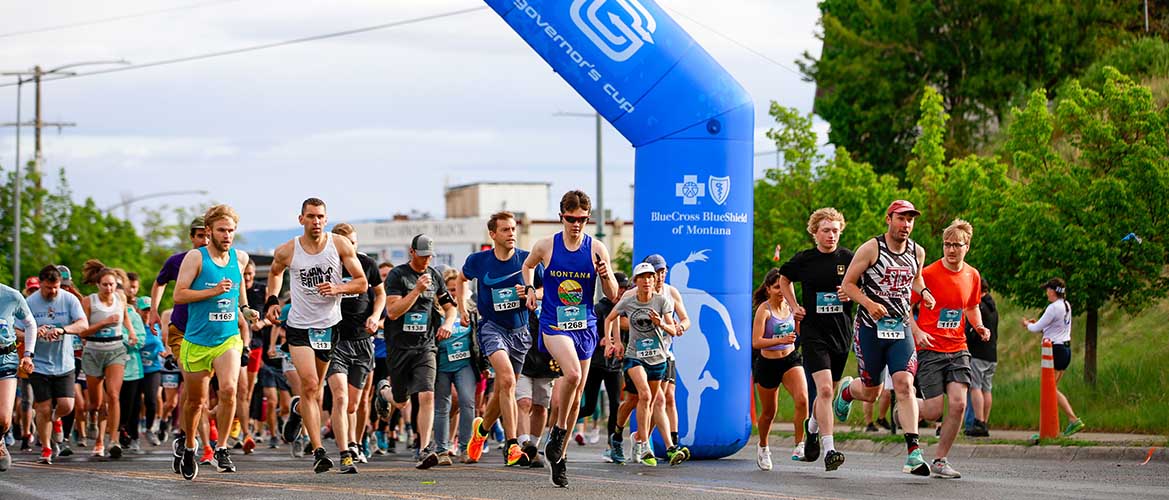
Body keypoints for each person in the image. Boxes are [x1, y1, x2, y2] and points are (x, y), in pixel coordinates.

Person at [522, 190, 619, 487]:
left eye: (581, 219)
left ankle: (559, 455)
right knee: (573, 374)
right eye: (571, 219)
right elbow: (527, 266)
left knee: (576, 395)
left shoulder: (596, 248)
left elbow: (614, 294)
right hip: (554, 324)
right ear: (561, 217)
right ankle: (559, 432)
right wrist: (529, 290)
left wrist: (604, 275)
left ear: (588, 218)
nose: (576, 224)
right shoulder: (546, 246)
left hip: (585, 326)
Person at [264, 198, 368, 473]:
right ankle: (320, 451)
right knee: (310, 385)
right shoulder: (289, 250)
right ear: (301, 220)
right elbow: (275, 273)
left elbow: (361, 282)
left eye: (321, 216)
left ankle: (299, 411)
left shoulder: (339, 245)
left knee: (317, 390)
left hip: (330, 326)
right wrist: (272, 300)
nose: (316, 221)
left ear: (326, 218)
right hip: (299, 326)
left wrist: (337, 288)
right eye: (311, 216)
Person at [834, 200, 936, 476]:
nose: (906, 225)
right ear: (888, 219)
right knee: (871, 393)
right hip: (870, 328)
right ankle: (847, 390)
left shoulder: (918, 251)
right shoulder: (871, 248)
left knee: (904, 385)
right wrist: (868, 304)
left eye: (910, 220)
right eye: (901, 219)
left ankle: (914, 452)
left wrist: (924, 293)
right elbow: (848, 285)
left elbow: (916, 280)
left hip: (900, 326)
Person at [174, 204, 256, 479]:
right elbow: (179, 296)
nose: (227, 235)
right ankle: (188, 446)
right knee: (196, 402)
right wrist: (211, 292)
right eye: (222, 230)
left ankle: (221, 447)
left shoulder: (239, 258)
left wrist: (246, 310)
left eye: (231, 230)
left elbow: (239, 291)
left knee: (230, 390)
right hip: (197, 340)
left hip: (228, 338)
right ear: (209, 232)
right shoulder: (195, 258)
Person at [909, 219, 989, 479]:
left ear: (967, 246)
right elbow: (905, 308)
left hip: (958, 347)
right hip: (930, 348)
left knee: (958, 404)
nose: (951, 249)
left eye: (957, 245)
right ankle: (906, 408)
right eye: (947, 244)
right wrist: (917, 332)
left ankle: (940, 460)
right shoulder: (928, 274)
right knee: (933, 411)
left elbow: (971, 306)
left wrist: (979, 326)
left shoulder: (972, 275)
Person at [458, 211, 540, 466]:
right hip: (492, 328)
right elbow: (462, 280)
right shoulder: (479, 261)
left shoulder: (526, 260)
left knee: (506, 388)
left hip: (520, 332)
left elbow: (544, 288)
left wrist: (529, 291)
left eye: (513, 229)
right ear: (493, 234)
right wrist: (462, 307)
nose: (512, 234)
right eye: (505, 230)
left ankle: (480, 431)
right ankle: (512, 445)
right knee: (505, 379)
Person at [777, 207, 854, 469]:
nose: (831, 235)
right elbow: (783, 278)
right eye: (826, 231)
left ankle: (811, 427)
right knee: (824, 390)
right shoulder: (805, 260)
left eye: (835, 231)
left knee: (828, 395)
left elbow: (861, 286)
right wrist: (793, 305)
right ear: (815, 233)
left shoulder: (849, 258)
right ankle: (829, 449)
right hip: (813, 333)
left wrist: (849, 294)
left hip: (841, 333)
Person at [375, 234, 456, 469]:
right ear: (412, 252)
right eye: (422, 256)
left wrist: (448, 323)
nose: (425, 260)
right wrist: (417, 290)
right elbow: (392, 312)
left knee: (427, 394)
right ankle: (385, 392)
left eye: (429, 256)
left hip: (425, 345)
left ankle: (424, 448)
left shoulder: (435, 275)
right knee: (400, 401)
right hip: (399, 346)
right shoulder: (397, 275)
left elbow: (451, 308)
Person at [604, 262, 685, 467]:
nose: (648, 280)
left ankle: (622, 435)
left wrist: (662, 324)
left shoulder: (662, 300)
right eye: (644, 277)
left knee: (640, 401)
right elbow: (610, 318)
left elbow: (674, 330)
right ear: (637, 281)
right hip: (634, 356)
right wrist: (614, 342)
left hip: (658, 358)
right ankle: (647, 446)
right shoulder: (628, 299)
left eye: (651, 276)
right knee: (646, 396)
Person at [153, 217, 215, 472]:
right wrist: (153, 312)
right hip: (182, 332)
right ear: (192, 237)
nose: (205, 241)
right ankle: (190, 442)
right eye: (200, 236)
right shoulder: (178, 260)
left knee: (202, 396)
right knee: (192, 389)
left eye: (208, 236)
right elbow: (159, 283)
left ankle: (185, 437)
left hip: (211, 334)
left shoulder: (222, 260)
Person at [324, 223, 385, 473]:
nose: (352, 246)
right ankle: (345, 452)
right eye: (347, 242)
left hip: (362, 340)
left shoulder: (366, 264)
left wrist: (375, 315)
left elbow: (380, 294)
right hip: (335, 339)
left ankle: (356, 442)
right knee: (340, 397)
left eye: (354, 242)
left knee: (354, 404)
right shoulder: (326, 265)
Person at [26, 265, 88, 466]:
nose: (53, 291)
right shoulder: (30, 302)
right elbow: (17, 330)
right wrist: (35, 332)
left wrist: (62, 330)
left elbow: (83, 325)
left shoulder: (69, 299)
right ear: (41, 284)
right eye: (48, 288)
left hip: (64, 362)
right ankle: (46, 449)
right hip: (39, 364)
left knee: (67, 406)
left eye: (56, 287)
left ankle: (57, 419)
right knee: (42, 408)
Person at [80, 260, 138, 460]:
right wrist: (104, 322)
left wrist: (131, 332)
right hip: (94, 351)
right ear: (98, 285)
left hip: (115, 349)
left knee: (113, 395)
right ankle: (94, 421)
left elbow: (126, 318)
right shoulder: (89, 301)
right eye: (105, 284)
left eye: (112, 284)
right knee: (96, 403)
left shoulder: (120, 298)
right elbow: (82, 331)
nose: (109, 288)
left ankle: (113, 440)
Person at [751, 269, 808, 471]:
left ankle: (799, 444)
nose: (781, 291)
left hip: (790, 360)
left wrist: (796, 334)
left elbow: (797, 335)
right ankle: (763, 446)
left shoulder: (792, 308)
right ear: (768, 289)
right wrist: (779, 340)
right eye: (777, 287)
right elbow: (756, 342)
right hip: (767, 364)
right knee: (769, 412)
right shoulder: (764, 311)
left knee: (802, 399)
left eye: (785, 287)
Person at [1022, 278, 1084, 436]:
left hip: (1055, 350)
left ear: (1052, 291)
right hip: (1065, 348)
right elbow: (1055, 327)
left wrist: (1026, 324)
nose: (1046, 293)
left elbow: (1035, 328)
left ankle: (1072, 419)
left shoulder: (1052, 307)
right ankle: (1054, 427)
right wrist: (1042, 326)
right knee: (1051, 389)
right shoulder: (1066, 305)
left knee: (1049, 390)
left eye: (1047, 289)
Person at [433, 269, 478, 466]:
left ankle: (466, 448)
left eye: (456, 289)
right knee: (442, 405)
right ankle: (442, 450)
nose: (453, 293)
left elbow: (477, 340)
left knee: (467, 402)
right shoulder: (435, 312)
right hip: (441, 365)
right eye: (449, 290)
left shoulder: (470, 311)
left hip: (464, 364)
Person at [584, 272, 628, 464]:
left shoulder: (626, 308)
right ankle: (559, 427)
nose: (623, 292)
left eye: (626, 288)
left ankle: (612, 447)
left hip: (615, 365)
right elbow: (587, 333)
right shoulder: (598, 308)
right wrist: (599, 341)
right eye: (620, 288)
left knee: (616, 405)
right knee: (589, 407)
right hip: (595, 364)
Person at [0, 283, 37, 472]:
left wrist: (28, 354)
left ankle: (0, 441)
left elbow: (30, 324)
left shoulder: (11, 296)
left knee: (4, 419)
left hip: (5, 358)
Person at [964, 277, 997, 437]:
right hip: (991, 354)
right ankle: (985, 421)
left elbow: (972, 332)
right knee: (986, 388)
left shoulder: (980, 308)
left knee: (975, 387)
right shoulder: (992, 307)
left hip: (978, 353)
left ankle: (979, 421)